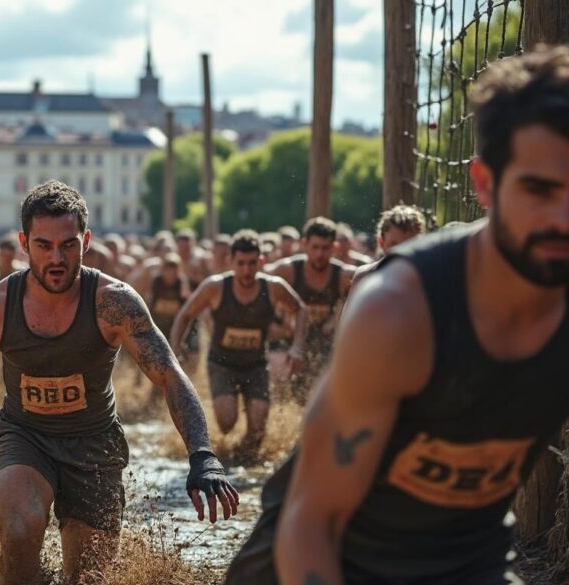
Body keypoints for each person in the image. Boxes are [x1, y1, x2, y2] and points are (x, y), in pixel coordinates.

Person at [224, 46, 569, 585]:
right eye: (539, 190)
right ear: (483, 183)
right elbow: (311, 520)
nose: (562, 218)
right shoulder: (400, 311)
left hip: (464, 563)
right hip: (321, 562)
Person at [0, 180, 239, 584]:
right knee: (20, 534)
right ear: (24, 243)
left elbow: (170, 375)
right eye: (43, 245)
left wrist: (202, 455)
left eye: (68, 245)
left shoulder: (114, 303)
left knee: (88, 577)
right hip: (24, 435)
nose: (56, 258)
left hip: (94, 443)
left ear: (85, 241)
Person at [170, 230, 308, 461]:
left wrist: (297, 346)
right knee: (226, 422)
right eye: (241, 263)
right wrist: (175, 350)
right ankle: (223, 455)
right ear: (230, 262)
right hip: (222, 363)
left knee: (257, 428)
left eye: (252, 263)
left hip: (255, 364)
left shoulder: (273, 287)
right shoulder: (215, 287)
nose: (246, 270)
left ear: (261, 262)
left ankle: (240, 461)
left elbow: (301, 309)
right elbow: (185, 315)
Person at [266, 217, 356, 401]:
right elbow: (257, 288)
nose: (320, 254)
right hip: (287, 338)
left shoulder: (343, 276)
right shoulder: (286, 270)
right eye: (315, 247)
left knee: (320, 393)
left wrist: (336, 319)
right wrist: (275, 323)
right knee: (279, 376)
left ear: (335, 248)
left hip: (322, 341)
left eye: (325, 248)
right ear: (304, 244)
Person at [349, 205, 428, 291]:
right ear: (381, 242)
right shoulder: (364, 277)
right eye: (394, 245)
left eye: (408, 245)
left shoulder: (431, 280)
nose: (401, 252)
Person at [149, 253, 190, 340]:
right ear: (163, 270)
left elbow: (186, 305)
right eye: (168, 270)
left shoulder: (181, 283)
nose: (170, 274)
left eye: (174, 271)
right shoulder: (157, 281)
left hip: (175, 325)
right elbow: (151, 302)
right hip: (158, 324)